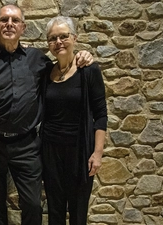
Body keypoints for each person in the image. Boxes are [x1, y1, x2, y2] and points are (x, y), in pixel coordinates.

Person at [0, 4, 94, 225]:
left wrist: (83, 55)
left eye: (15, 21)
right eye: (4, 20)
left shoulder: (38, 60)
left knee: (33, 204)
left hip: (27, 145)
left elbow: (63, 68)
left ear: (23, 27)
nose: (9, 24)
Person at [40, 16, 108, 225]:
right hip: (50, 152)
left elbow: (101, 114)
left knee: (78, 212)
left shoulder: (88, 71)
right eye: (53, 38)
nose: (58, 42)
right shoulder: (45, 73)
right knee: (55, 210)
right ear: (48, 44)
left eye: (63, 36)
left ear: (74, 38)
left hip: (80, 152)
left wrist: (97, 154)